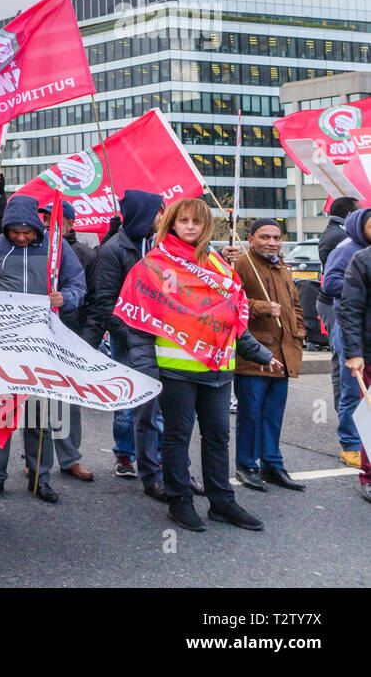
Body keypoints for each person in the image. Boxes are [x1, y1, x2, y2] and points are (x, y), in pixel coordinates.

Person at [120, 198, 280, 533]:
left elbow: (232, 323)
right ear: (172, 224)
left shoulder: (220, 267)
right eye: (184, 221)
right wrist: (146, 371)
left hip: (219, 371)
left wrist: (261, 354)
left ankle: (222, 502)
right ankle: (179, 501)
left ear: (207, 226)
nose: (190, 227)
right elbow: (138, 326)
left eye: (197, 221)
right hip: (175, 371)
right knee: (177, 438)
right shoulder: (153, 265)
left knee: (218, 437)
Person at [0, 195, 87, 503]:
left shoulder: (56, 247)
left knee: (40, 415)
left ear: (37, 227)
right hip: (4, 344)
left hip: (43, 344)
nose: (23, 236)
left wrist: (65, 298)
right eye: (16, 232)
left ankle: (41, 478)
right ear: (6, 228)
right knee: (0, 413)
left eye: (28, 231)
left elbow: (78, 284)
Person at [82, 190, 174, 495]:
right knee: (128, 399)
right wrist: (132, 333)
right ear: (142, 215)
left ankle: (156, 457)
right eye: (157, 212)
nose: (162, 218)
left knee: (156, 402)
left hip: (161, 335)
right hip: (128, 337)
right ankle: (125, 454)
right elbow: (105, 301)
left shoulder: (164, 245)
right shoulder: (113, 250)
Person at [233, 218, 306, 492]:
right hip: (255, 353)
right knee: (250, 414)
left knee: (273, 414)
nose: (272, 242)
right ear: (251, 239)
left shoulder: (282, 267)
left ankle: (272, 465)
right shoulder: (242, 265)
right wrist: (262, 307)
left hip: (284, 353)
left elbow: (295, 304)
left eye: (276, 237)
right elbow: (230, 301)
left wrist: (299, 329)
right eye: (265, 237)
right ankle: (247, 465)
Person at [42, 200, 97, 482]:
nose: (49, 226)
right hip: (37, 337)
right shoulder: (35, 248)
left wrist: (87, 338)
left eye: (56, 220)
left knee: (67, 399)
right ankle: (36, 459)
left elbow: (95, 297)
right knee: (36, 400)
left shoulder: (85, 254)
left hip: (71, 334)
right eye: (45, 219)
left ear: (70, 224)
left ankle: (70, 457)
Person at [320, 204, 371, 470]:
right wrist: (360, 286)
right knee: (353, 389)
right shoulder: (349, 250)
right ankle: (351, 444)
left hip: (363, 325)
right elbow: (329, 284)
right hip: (348, 324)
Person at [335, 231, 371, 503]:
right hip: (369, 353)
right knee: (370, 417)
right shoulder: (363, 260)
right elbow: (351, 309)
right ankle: (369, 477)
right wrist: (354, 353)